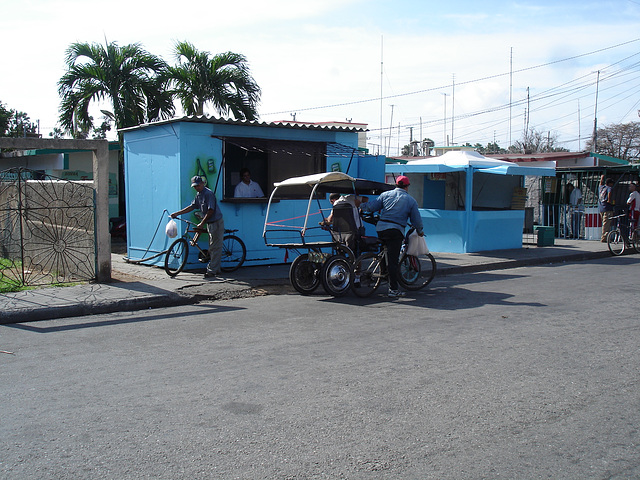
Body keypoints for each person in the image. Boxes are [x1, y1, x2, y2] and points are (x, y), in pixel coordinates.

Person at [361, 175, 424, 298]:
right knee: (393, 260)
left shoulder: (385, 195)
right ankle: (393, 289)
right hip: (395, 231)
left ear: (396, 185)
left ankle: (383, 273)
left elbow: (371, 207)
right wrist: (420, 231)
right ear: (407, 186)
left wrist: (359, 205)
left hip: (381, 229)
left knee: (384, 252)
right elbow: (416, 220)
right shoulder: (410, 200)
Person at [170, 175, 224, 279]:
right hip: (209, 222)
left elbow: (211, 210)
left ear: (202, 183)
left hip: (216, 222)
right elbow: (192, 207)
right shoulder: (199, 195)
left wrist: (202, 222)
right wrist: (177, 213)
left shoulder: (208, 194)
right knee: (212, 246)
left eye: (198, 185)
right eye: (195, 186)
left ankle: (212, 271)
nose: (197, 188)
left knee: (215, 247)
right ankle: (216, 268)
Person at [598, 176, 614, 242]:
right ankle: (604, 238)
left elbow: (600, 183)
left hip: (601, 208)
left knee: (604, 223)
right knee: (606, 223)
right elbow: (609, 193)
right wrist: (609, 201)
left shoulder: (601, 188)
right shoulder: (609, 188)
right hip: (607, 208)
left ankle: (604, 236)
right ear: (609, 183)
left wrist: (602, 178)